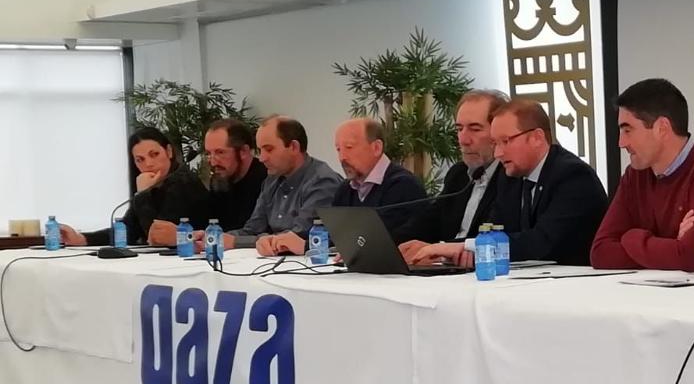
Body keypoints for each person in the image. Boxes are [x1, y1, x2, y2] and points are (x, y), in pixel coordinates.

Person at [409, 99, 606, 266]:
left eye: (506, 141)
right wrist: (445, 250)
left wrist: (460, 247)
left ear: (536, 138)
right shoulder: (511, 176)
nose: (498, 153)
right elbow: (495, 231)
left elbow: (541, 242)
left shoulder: (573, 176)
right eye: (495, 143)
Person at [590, 78, 694, 272]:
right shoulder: (635, 174)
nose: (621, 142)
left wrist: (631, 237)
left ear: (662, 128)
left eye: (628, 130)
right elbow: (600, 253)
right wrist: (673, 245)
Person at [395, 90, 508, 258]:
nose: (463, 140)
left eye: (475, 129)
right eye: (459, 129)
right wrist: (382, 245)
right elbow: (427, 223)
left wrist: (439, 250)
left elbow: (494, 236)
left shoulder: (510, 176)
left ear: (499, 132)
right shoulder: (458, 174)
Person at [212, 116, 341, 256]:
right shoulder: (272, 180)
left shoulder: (322, 182)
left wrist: (236, 242)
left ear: (294, 147)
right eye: (260, 150)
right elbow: (252, 229)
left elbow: (297, 237)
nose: (262, 158)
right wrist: (216, 237)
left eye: (269, 149)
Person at [61, 127, 209, 246]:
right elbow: (128, 230)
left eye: (154, 154)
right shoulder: (154, 185)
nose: (148, 164)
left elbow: (157, 237)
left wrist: (143, 194)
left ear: (169, 151)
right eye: (140, 160)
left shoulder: (184, 183)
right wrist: (81, 239)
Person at [330, 118, 426, 239]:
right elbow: (335, 236)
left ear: (376, 148)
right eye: (338, 149)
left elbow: (382, 240)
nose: (342, 157)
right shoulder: (345, 190)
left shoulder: (404, 186)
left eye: (349, 147)